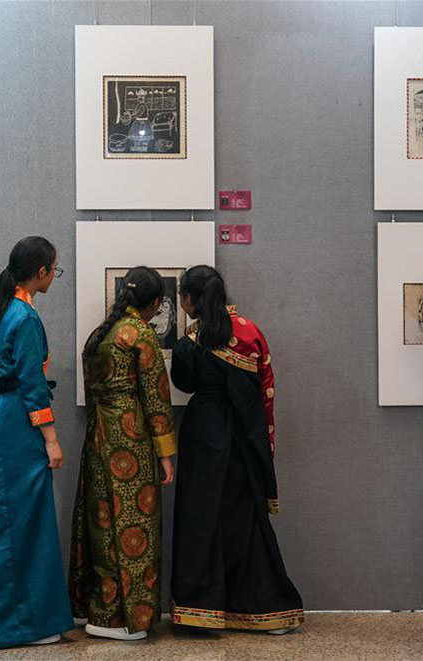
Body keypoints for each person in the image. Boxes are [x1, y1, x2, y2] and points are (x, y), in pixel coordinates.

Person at [169, 265, 304, 634]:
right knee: (246, 522)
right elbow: (266, 389)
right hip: (244, 439)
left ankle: (200, 610)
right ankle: (265, 610)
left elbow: (183, 383)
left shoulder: (190, 343)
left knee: (201, 518)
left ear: (191, 299)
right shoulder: (250, 332)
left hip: (203, 436)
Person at [0, 236, 73, 650]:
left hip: (5, 421)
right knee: (24, 522)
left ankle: (0, 616)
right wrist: (52, 439)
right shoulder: (24, 317)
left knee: (6, 517)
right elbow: (32, 385)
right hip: (21, 426)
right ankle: (22, 623)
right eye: (54, 270)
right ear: (41, 271)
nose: (55, 277)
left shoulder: (9, 309)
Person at [68, 266, 176, 641]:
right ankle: (126, 619)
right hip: (131, 441)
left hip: (98, 438)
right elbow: (156, 398)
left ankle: (97, 607)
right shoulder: (140, 335)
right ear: (156, 303)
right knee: (134, 524)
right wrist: (165, 453)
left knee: (100, 521)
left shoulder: (100, 334)